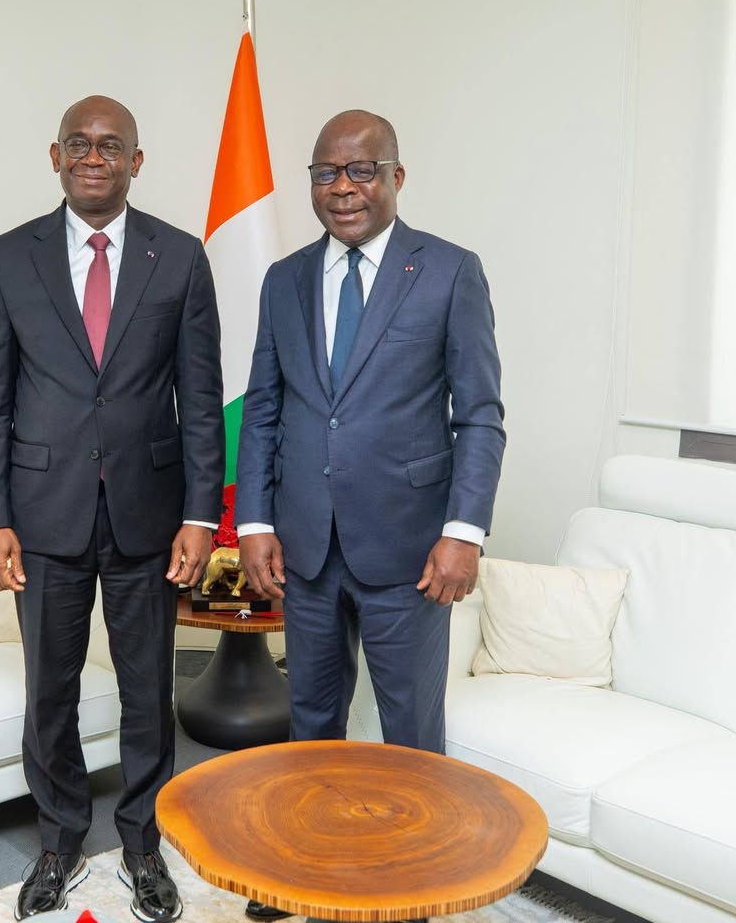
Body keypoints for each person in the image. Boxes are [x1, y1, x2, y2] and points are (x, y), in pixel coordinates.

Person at [235, 110, 505, 921]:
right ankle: (305, 875)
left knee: (411, 735)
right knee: (312, 723)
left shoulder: (449, 272)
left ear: (396, 176)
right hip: (307, 546)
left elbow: (480, 416)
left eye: (361, 170)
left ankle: (415, 889)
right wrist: (256, 522)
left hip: (411, 551)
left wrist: (463, 533)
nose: (343, 188)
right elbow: (265, 408)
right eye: (327, 173)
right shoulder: (283, 279)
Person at [0, 95, 224, 923]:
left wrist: (200, 516)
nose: (92, 157)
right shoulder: (7, 259)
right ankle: (60, 840)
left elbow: (202, 397)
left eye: (110, 146)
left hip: (150, 513)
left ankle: (144, 844)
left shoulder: (179, 257)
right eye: (77, 143)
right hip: (43, 513)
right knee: (51, 690)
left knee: (149, 691)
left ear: (136, 162)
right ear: (55, 156)